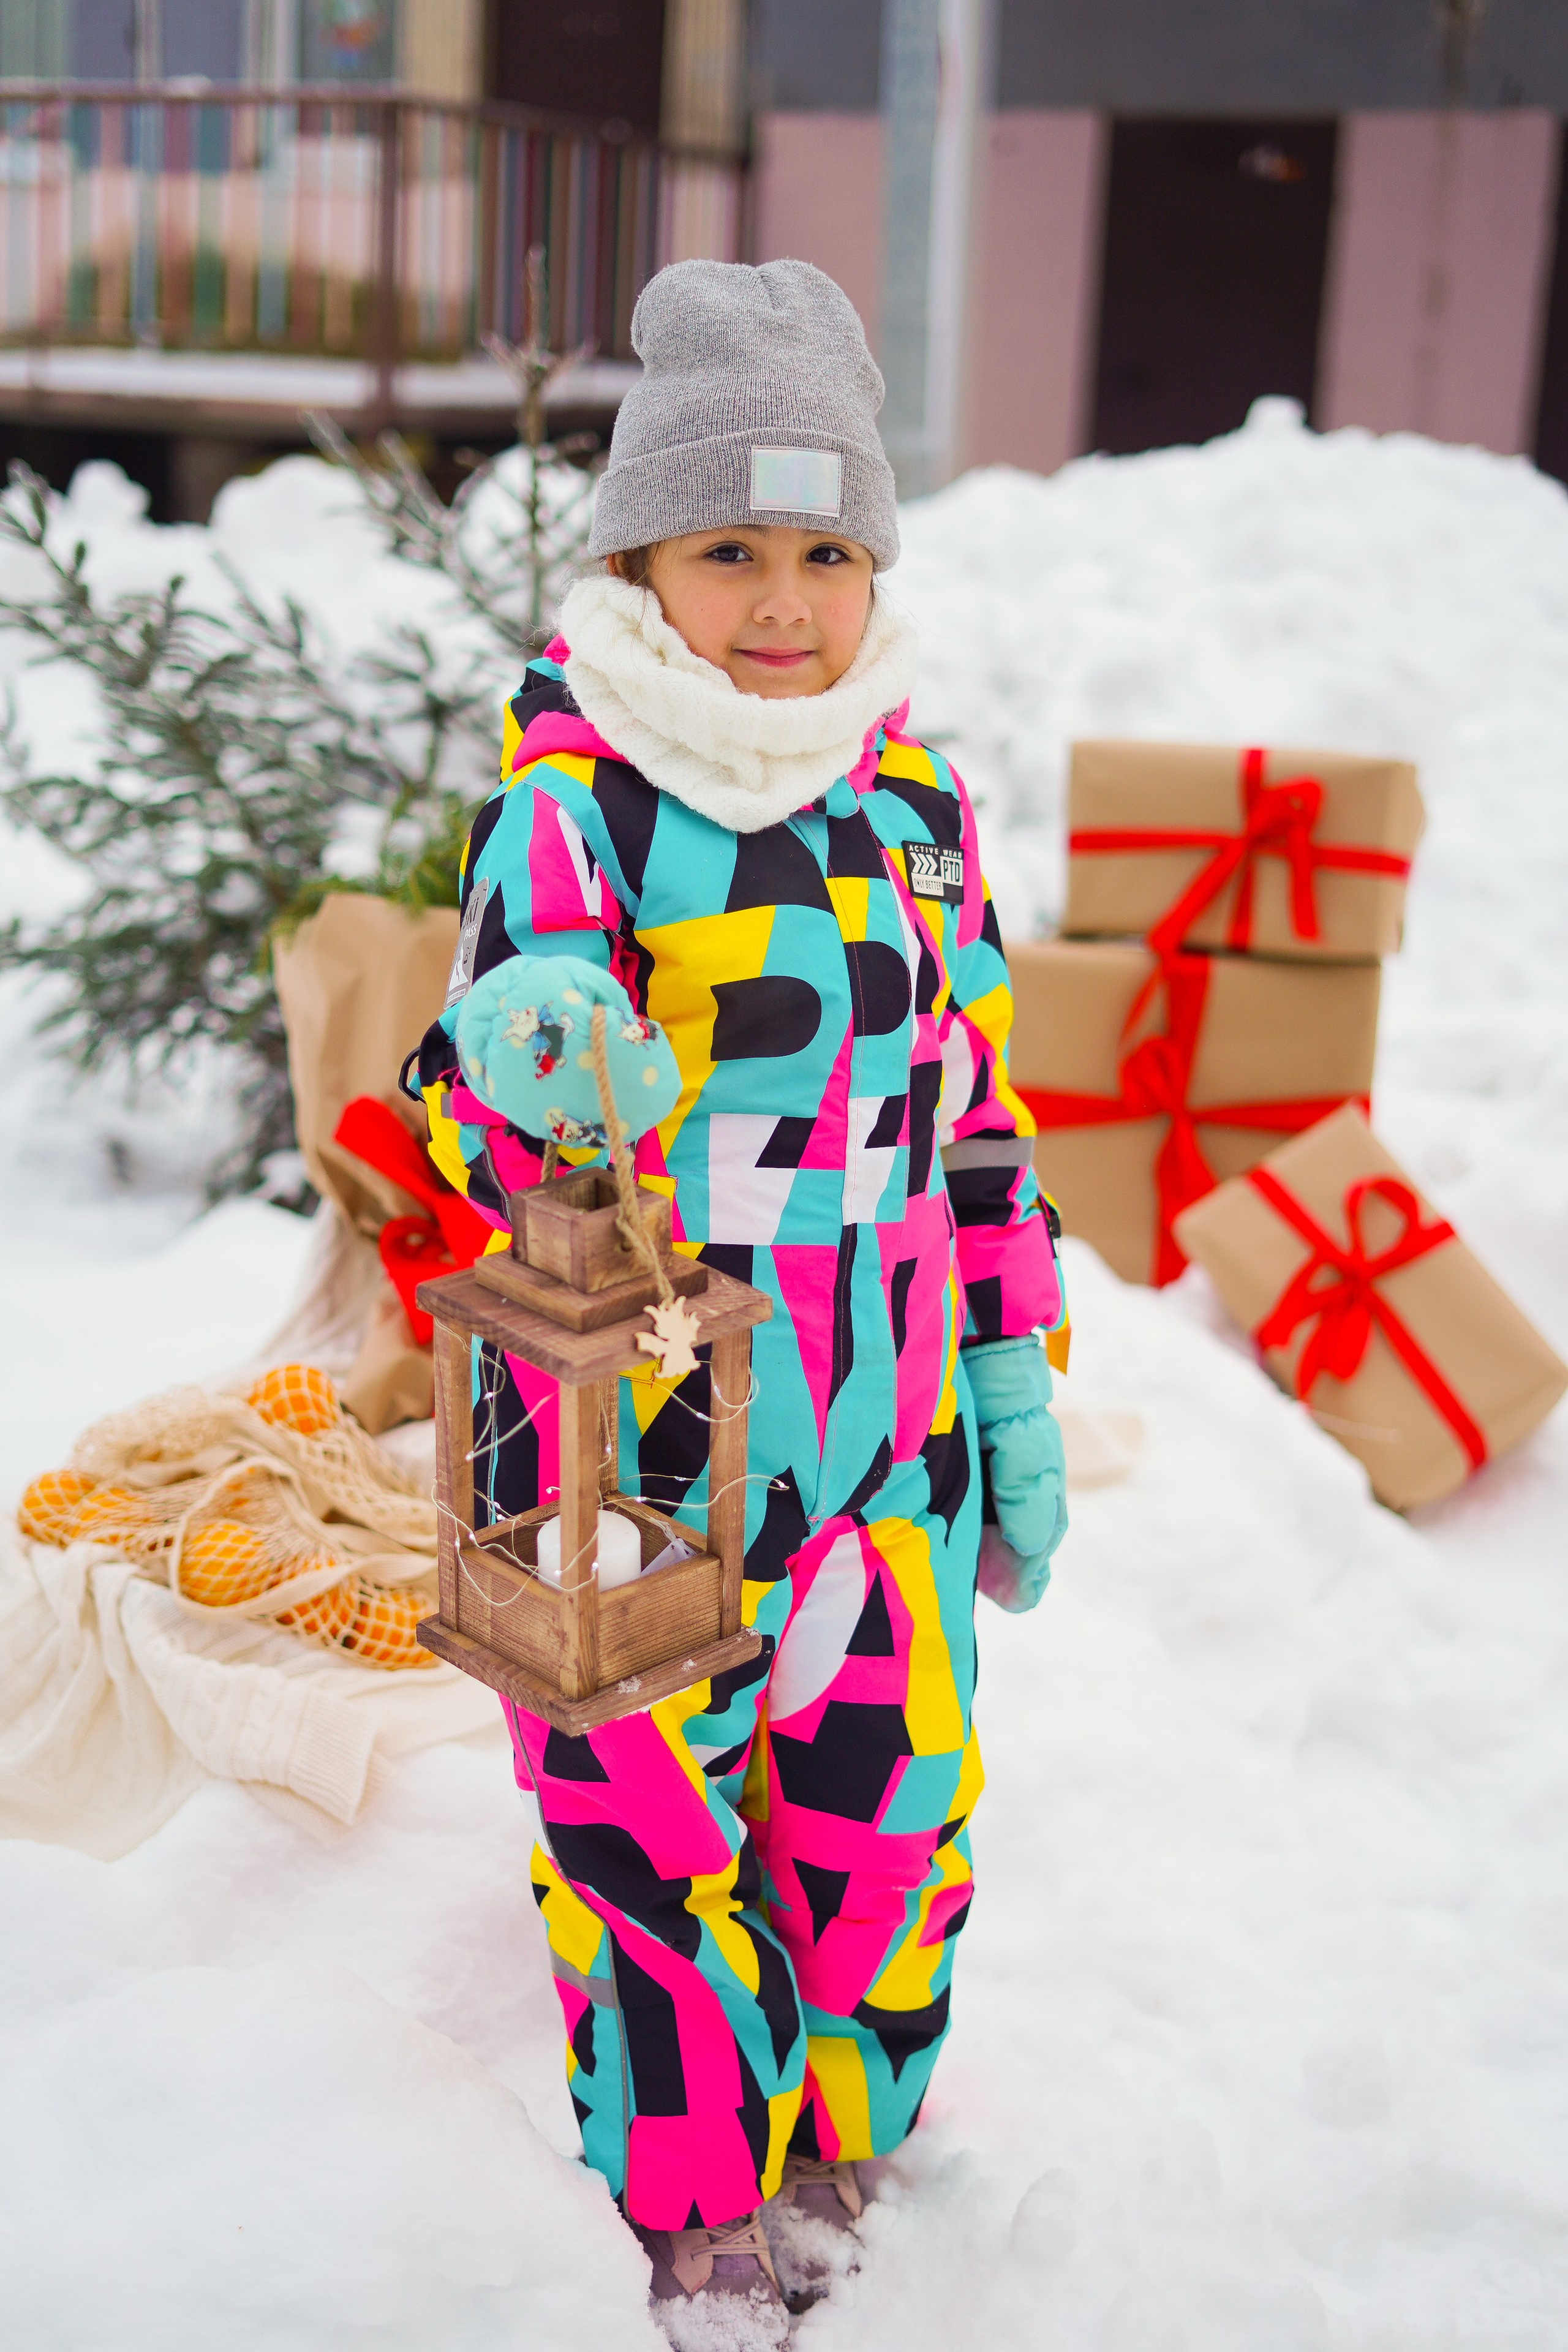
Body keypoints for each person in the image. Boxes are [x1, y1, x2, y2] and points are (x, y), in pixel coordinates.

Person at [413, 258, 1067, 2344]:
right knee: (650, 1834)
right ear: (643, 563)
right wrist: (520, 1058)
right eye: (729, 551)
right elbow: (465, 1116)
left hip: (882, 1432)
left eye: (823, 552)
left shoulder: (912, 801)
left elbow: (974, 1116)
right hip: (641, 1444)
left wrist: (1007, 1375)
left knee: (894, 1807)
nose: (781, 603)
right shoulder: (577, 799)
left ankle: (849, 2121)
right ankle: (698, 2182)